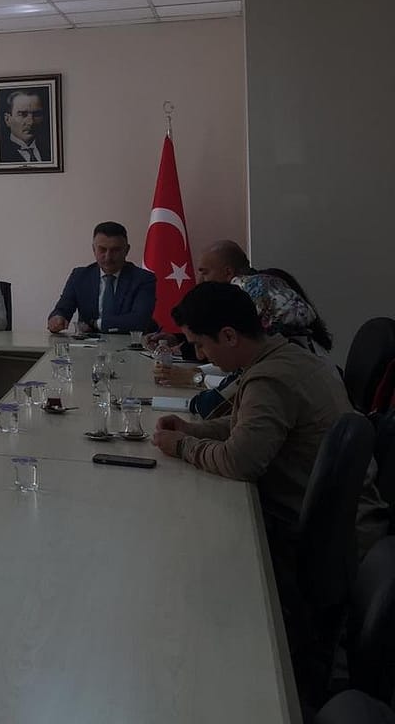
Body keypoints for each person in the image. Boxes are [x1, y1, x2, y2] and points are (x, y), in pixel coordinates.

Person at [152, 282, 385, 550]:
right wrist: (192, 429)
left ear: (229, 336)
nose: (199, 355)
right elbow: (252, 424)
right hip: (342, 519)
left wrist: (182, 446)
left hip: (333, 539)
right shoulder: (287, 354)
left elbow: (239, 462)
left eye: (200, 345)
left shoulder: (270, 379)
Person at [150, 242, 331, 415]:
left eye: (205, 272)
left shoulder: (246, 292)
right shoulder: (263, 284)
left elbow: (233, 385)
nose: (200, 281)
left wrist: (196, 379)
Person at [47, 221, 156, 334]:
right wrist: (57, 319)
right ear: (94, 249)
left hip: (130, 342)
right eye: (102, 249)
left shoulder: (143, 279)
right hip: (88, 344)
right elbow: (62, 309)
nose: (108, 257)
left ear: (126, 250)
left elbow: (139, 320)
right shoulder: (79, 276)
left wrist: (96, 324)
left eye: (115, 250)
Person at [0, 88, 52, 165]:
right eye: (22, 114)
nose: (31, 122)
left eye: (37, 114)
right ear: (7, 119)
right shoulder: (0, 155)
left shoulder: (51, 150)